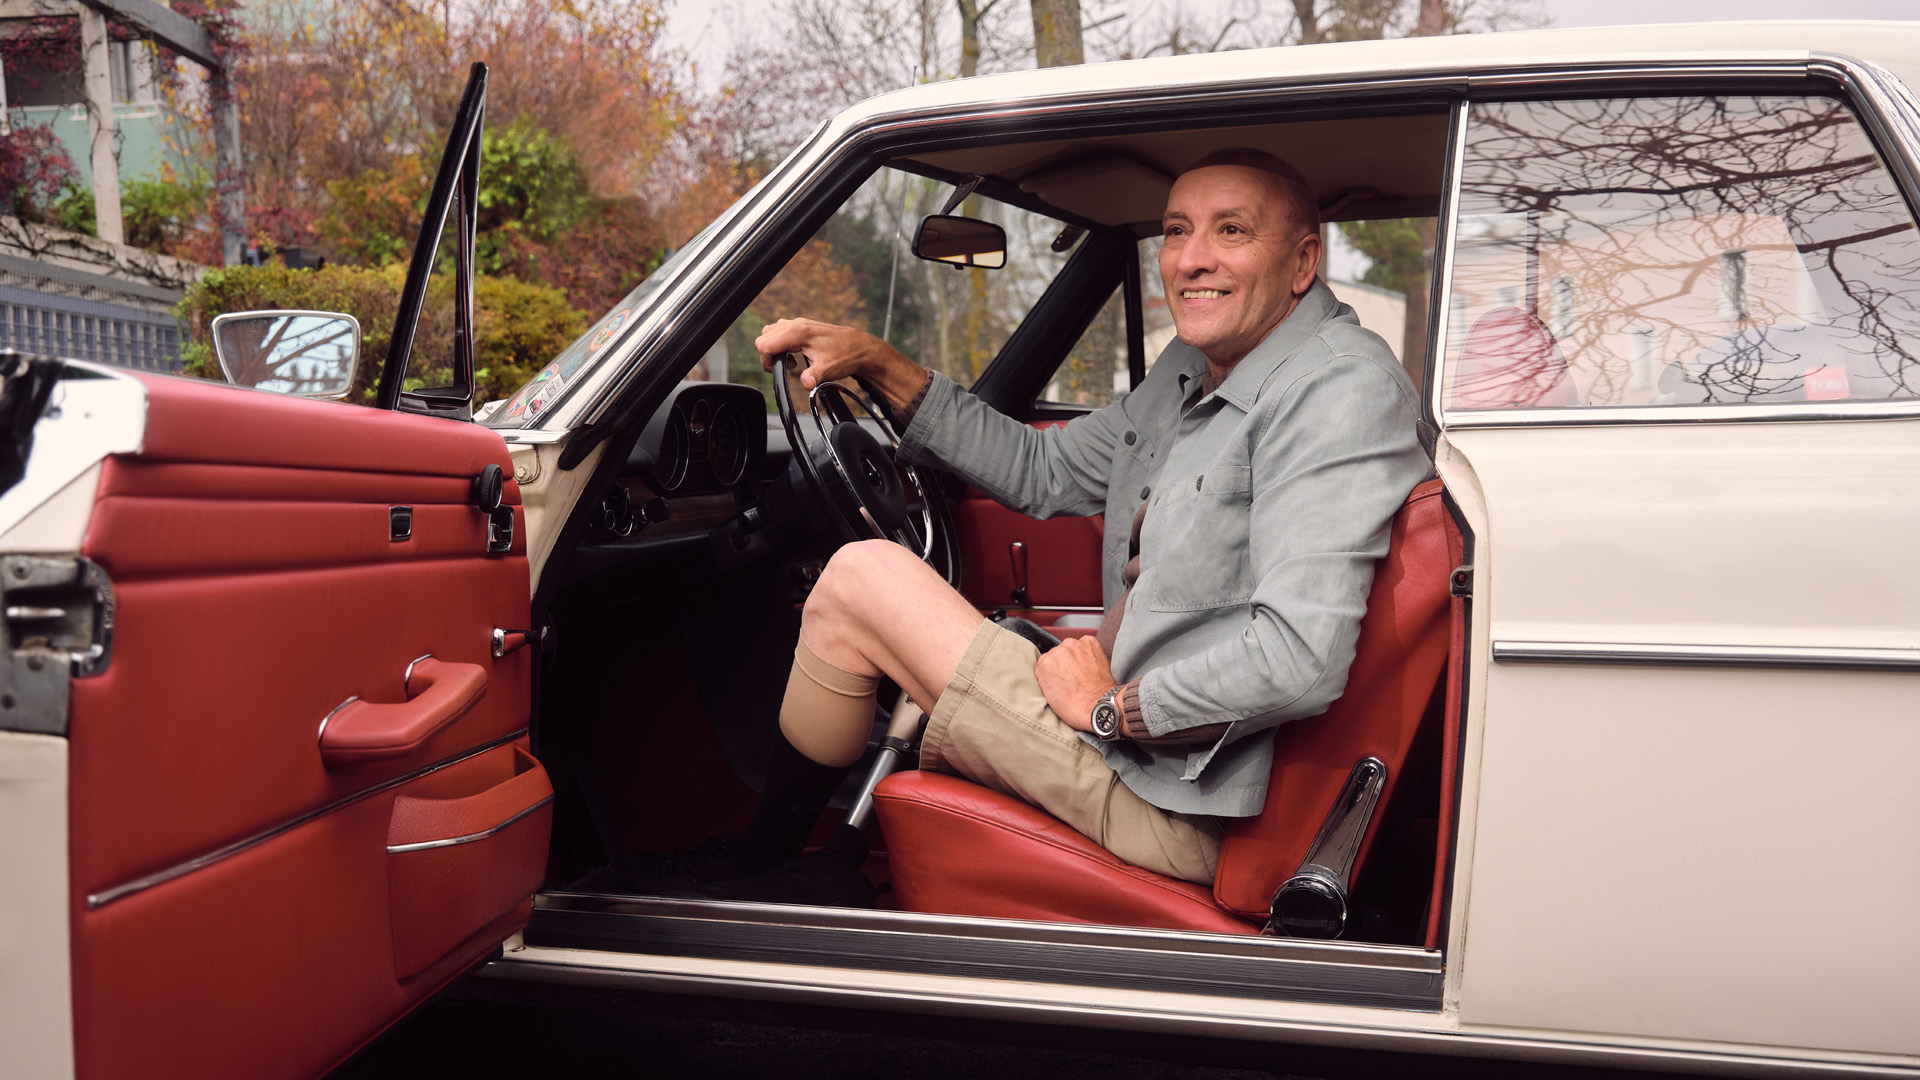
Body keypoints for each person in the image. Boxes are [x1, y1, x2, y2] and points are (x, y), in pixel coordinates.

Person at [662, 149, 1433, 905]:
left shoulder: (1337, 390)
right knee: (910, 597)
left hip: (1184, 799)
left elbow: (1299, 656)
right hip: (1153, 751)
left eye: (1231, 231)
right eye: (1174, 231)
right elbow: (1043, 470)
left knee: (859, 582)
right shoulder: (1198, 371)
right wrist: (877, 362)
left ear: (1302, 263)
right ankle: (788, 862)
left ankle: (754, 873)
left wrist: (1113, 708)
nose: (1191, 259)